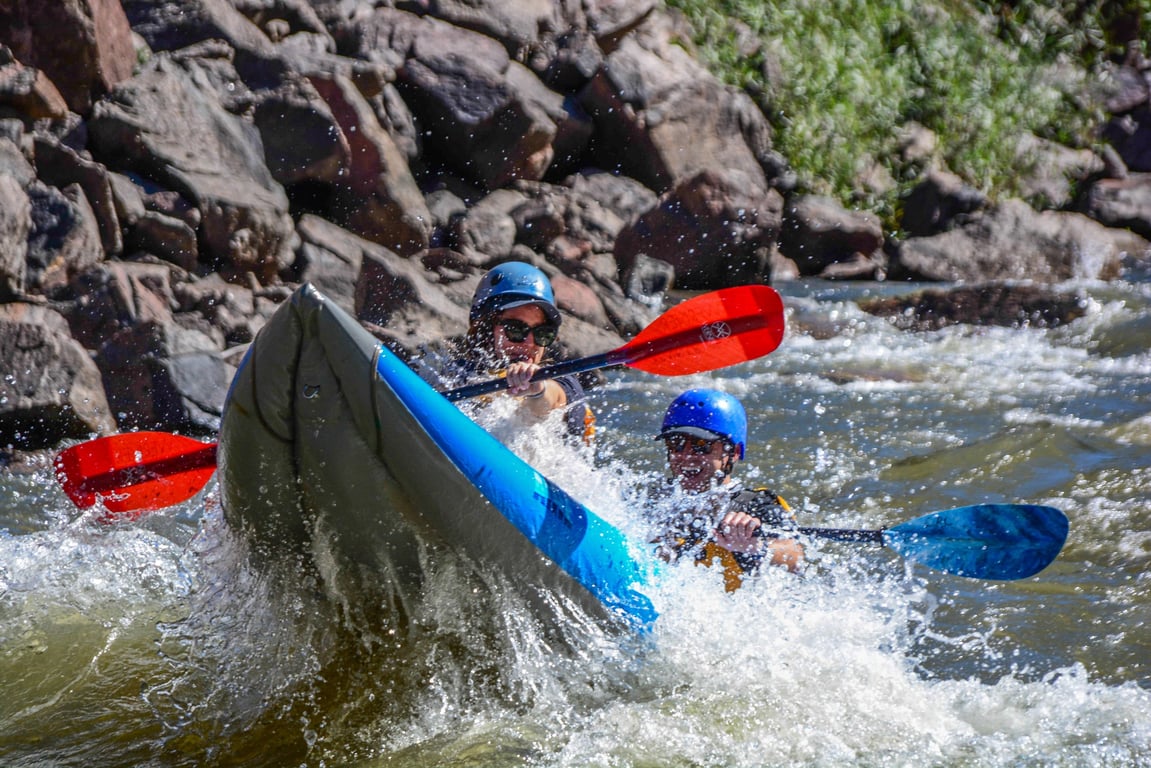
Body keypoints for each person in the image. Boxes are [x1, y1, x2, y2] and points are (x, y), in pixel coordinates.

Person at [651, 388, 804, 591]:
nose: (686, 455)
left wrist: (754, 546)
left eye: (701, 445)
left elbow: (796, 556)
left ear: (733, 453)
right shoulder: (653, 498)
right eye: (676, 444)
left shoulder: (757, 505)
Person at [428, 261, 594, 441]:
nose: (530, 343)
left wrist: (537, 390)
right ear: (486, 329)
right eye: (516, 329)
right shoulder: (460, 373)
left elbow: (551, 400)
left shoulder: (564, 379)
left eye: (542, 333)